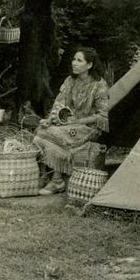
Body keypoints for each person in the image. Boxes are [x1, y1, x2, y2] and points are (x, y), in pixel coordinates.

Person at [34, 47, 110, 195]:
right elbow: (59, 104)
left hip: (89, 127)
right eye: (74, 59)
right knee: (42, 130)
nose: (74, 63)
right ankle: (44, 175)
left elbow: (102, 116)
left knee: (56, 133)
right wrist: (50, 119)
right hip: (68, 124)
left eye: (79, 60)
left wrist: (78, 121)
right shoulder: (70, 81)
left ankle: (57, 181)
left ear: (89, 65)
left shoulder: (99, 85)